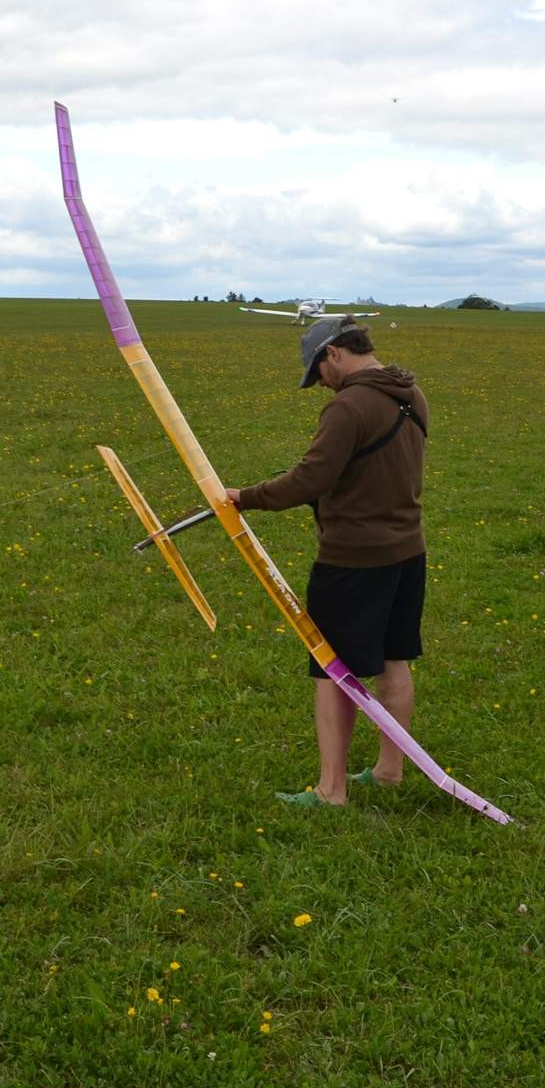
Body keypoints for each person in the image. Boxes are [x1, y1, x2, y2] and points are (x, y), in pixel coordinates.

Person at [223, 315, 429, 807]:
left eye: (318, 370)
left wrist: (246, 497)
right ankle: (389, 770)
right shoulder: (411, 394)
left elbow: (311, 479)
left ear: (334, 353)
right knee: (394, 661)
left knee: (332, 671)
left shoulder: (349, 405)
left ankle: (331, 790)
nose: (319, 383)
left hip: (353, 561)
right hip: (407, 551)